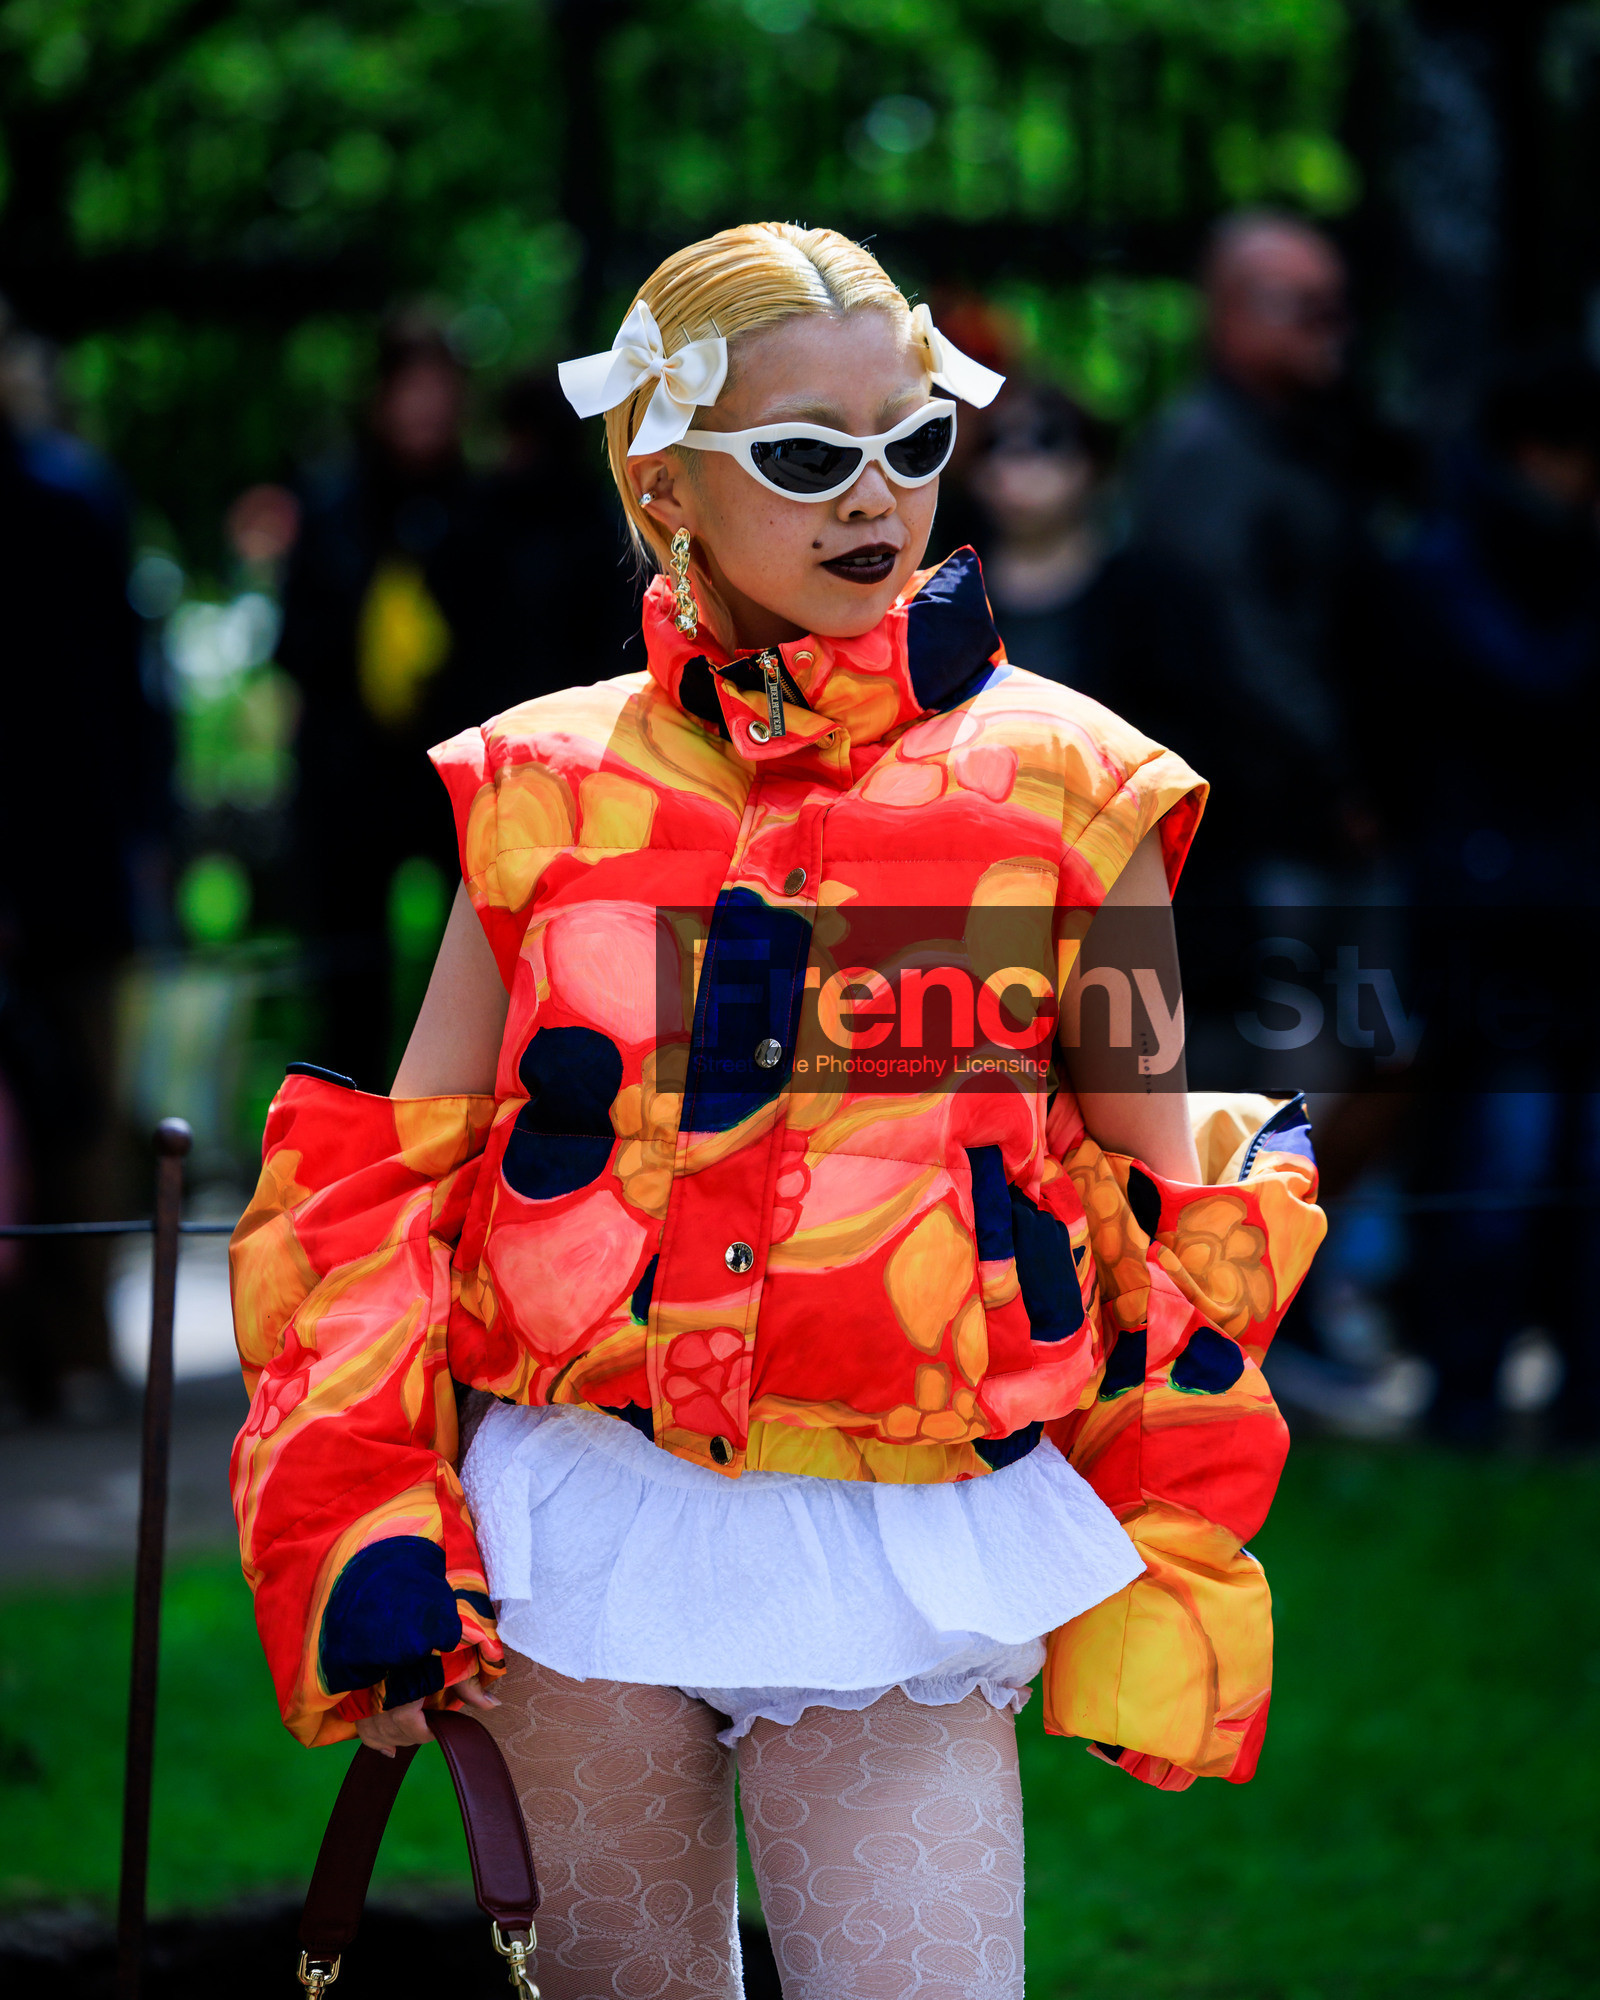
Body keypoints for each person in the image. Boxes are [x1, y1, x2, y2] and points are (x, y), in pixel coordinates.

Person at [230, 224, 1325, 1998]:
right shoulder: (543, 788)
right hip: (579, 1526)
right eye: (809, 457)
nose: (876, 497)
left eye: (914, 441)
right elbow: (387, 1190)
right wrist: (366, 1522)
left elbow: (1162, 1204)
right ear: (663, 479)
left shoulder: (1072, 785)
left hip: (899, 1531)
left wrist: (1172, 1540)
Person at [1127, 209, 1376, 904]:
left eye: (1338, 306)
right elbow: (1237, 639)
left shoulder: (1298, 434)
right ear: (1234, 311)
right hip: (1266, 824)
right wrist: (1335, 778)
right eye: (1309, 309)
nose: (1336, 329)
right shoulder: (1207, 451)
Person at [275, 312, 477, 1089]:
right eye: (409, 387)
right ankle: (340, 1144)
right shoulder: (332, 508)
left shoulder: (478, 511)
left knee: (465, 973)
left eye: (438, 387)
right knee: (346, 980)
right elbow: (296, 645)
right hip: (348, 779)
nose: (423, 407)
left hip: (453, 774)